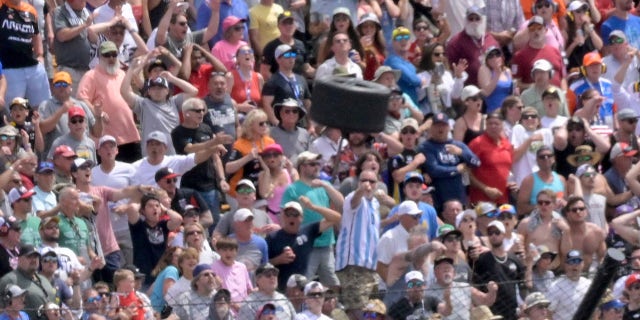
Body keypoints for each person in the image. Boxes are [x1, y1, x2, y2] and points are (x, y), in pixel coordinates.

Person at [280, 151, 344, 287]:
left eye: (318, 164)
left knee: (332, 283)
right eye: (312, 164)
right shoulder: (292, 189)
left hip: (327, 243)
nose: (317, 167)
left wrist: (326, 185)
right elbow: (283, 216)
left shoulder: (323, 185)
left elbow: (341, 203)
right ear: (302, 167)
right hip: (306, 244)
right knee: (304, 282)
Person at [76, 41, 140, 163]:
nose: (111, 58)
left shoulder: (122, 73)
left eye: (114, 54)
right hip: (107, 141)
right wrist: (97, 112)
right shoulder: (91, 75)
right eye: (107, 55)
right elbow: (81, 97)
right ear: (100, 57)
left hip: (129, 135)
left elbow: (130, 96)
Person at [335, 169, 381, 317]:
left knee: (371, 310)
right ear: (358, 183)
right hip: (354, 264)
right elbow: (355, 201)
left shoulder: (375, 203)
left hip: (371, 266)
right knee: (356, 308)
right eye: (364, 180)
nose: (368, 184)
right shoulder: (352, 197)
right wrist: (361, 190)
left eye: (372, 181)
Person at [266, 199, 340, 291]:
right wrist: (279, 260)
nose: (291, 218)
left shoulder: (308, 230)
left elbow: (336, 217)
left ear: (301, 218)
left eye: (295, 214)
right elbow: (263, 264)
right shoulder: (273, 237)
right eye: (288, 214)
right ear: (283, 217)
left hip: (303, 288)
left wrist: (313, 207)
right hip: (282, 289)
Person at [420, 112, 481, 211]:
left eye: (443, 125)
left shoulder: (458, 145)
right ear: (431, 128)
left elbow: (477, 163)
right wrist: (456, 169)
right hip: (439, 200)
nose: (440, 128)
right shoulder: (426, 147)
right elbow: (434, 170)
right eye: (437, 125)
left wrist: (461, 153)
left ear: (448, 127)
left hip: (459, 198)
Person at [472, 221, 529, 319]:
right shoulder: (482, 259)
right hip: (492, 311)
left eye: (497, 232)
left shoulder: (514, 259)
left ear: (504, 234)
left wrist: (524, 303)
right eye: (490, 233)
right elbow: (475, 284)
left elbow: (522, 283)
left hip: (512, 309)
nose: (493, 236)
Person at [0, 0, 51, 108]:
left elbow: (36, 35)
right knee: (11, 110)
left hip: (33, 68)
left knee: (43, 108)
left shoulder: (31, 10)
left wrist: (40, 55)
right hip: (9, 69)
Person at [38, 71, 102, 157]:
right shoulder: (46, 105)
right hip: (58, 157)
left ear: (70, 87)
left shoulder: (81, 105)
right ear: (52, 88)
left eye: (64, 84)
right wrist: (61, 111)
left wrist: (98, 117)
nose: (61, 87)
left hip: (82, 155)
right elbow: (42, 129)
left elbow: (97, 133)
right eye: (58, 84)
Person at [127, 193, 182, 286]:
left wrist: (164, 209)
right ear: (143, 211)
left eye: (157, 206)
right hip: (144, 274)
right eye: (150, 206)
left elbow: (178, 219)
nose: (155, 208)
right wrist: (144, 201)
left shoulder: (163, 225)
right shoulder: (138, 226)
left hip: (161, 272)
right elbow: (132, 208)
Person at [445, 6, 499, 86]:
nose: (474, 22)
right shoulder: (455, 42)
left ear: (483, 20)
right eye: (471, 19)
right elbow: (452, 69)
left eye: (477, 18)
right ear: (466, 21)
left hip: (492, 87)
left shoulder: (491, 40)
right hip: (469, 91)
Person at [0, 244, 56, 319]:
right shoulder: (9, 279)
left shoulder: (44, 279)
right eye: (29, 257)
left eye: (36, 257)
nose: (34, 260)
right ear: (19, 259)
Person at [469, 112, 514, 205]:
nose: (493, 126)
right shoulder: (477, 143)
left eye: (496, 124)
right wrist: (485, 189)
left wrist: (512, 183)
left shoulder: (506, 144)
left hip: (503, 199)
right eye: (490, 123)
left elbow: (508, 169)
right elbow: (467, 172)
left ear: (502, 126)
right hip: (482, 200)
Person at [261, 44, 311, 126]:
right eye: (287, 55)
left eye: (293, 55)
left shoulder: (301, 79)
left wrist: (311, 125)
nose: (291, 58)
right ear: (278, 59)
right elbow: (266, 104)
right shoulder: (273, 81)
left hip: (301, 124)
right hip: (283, 124)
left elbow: (307, 103)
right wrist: (276, 123)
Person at [511, 16, 566, 90]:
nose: (536, 32)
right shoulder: (519, 56)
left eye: (539, 28)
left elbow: (562, 78)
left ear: (546, 30)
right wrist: (536, 87)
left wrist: (564, 94)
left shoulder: (555, 51)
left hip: (557, 98)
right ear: (528, 32)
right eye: (532, 29)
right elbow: (515, 83)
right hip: (534, 99)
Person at [546, 250, 592, 320]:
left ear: (583, 264)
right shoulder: (556, 286)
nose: (575, 265)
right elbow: (548, 312)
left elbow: (595, 310)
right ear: (565, 265)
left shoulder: (588, 284)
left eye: (577, 261)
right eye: (571, 262)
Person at [387, 270, 452, 319]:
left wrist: (447, 299)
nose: (415, 287)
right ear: (406, 288)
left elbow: (446, 312)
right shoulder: (399, 305)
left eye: (418, 284)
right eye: (411, 285)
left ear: (424, 286)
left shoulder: (431, 300)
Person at [384, 26, 423, 104]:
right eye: (398, 38)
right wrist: (423, 80)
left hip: (413, 105)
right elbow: (414, 80)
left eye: (406, 37)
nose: (403, 40)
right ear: (393, 43)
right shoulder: (392, 60)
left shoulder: (409, 64)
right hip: (399, 106)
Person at [210, 237, 253, 307]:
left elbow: (249, 289)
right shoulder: (214, 268)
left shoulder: (242, 267)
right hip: (225, 309)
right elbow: (216, 292)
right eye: (224, 250)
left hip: (245, 309)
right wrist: (235, 306)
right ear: (218, 251)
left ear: (236, 251)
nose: (228, 253)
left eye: (231, 250)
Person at [477, 47, 514, 114]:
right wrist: (497, 74)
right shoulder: (484, 69)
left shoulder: (507, 71)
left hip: (508, 111)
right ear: (487, 60)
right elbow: (486, 92)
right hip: (493, 111)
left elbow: (511, 93)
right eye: (491, 56)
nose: (495, 58)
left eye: (497, 55)